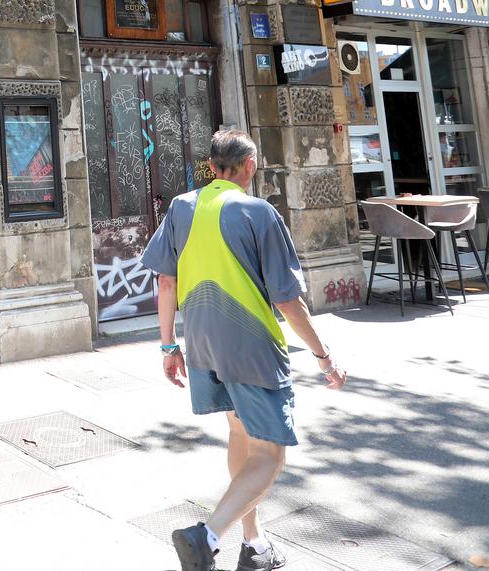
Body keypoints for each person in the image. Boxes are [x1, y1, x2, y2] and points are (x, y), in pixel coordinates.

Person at [143, 128, 348, 571]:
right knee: (270, 454)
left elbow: (166, 281)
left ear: (211, 167)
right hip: (252, 347)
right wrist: (323, 356)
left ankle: (254, 544)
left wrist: (168, 346)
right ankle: (207, 536)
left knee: (240, 435)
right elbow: (287, 301)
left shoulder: (181, 206)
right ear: (250, 165)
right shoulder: (259, 212)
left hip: (202, 345)